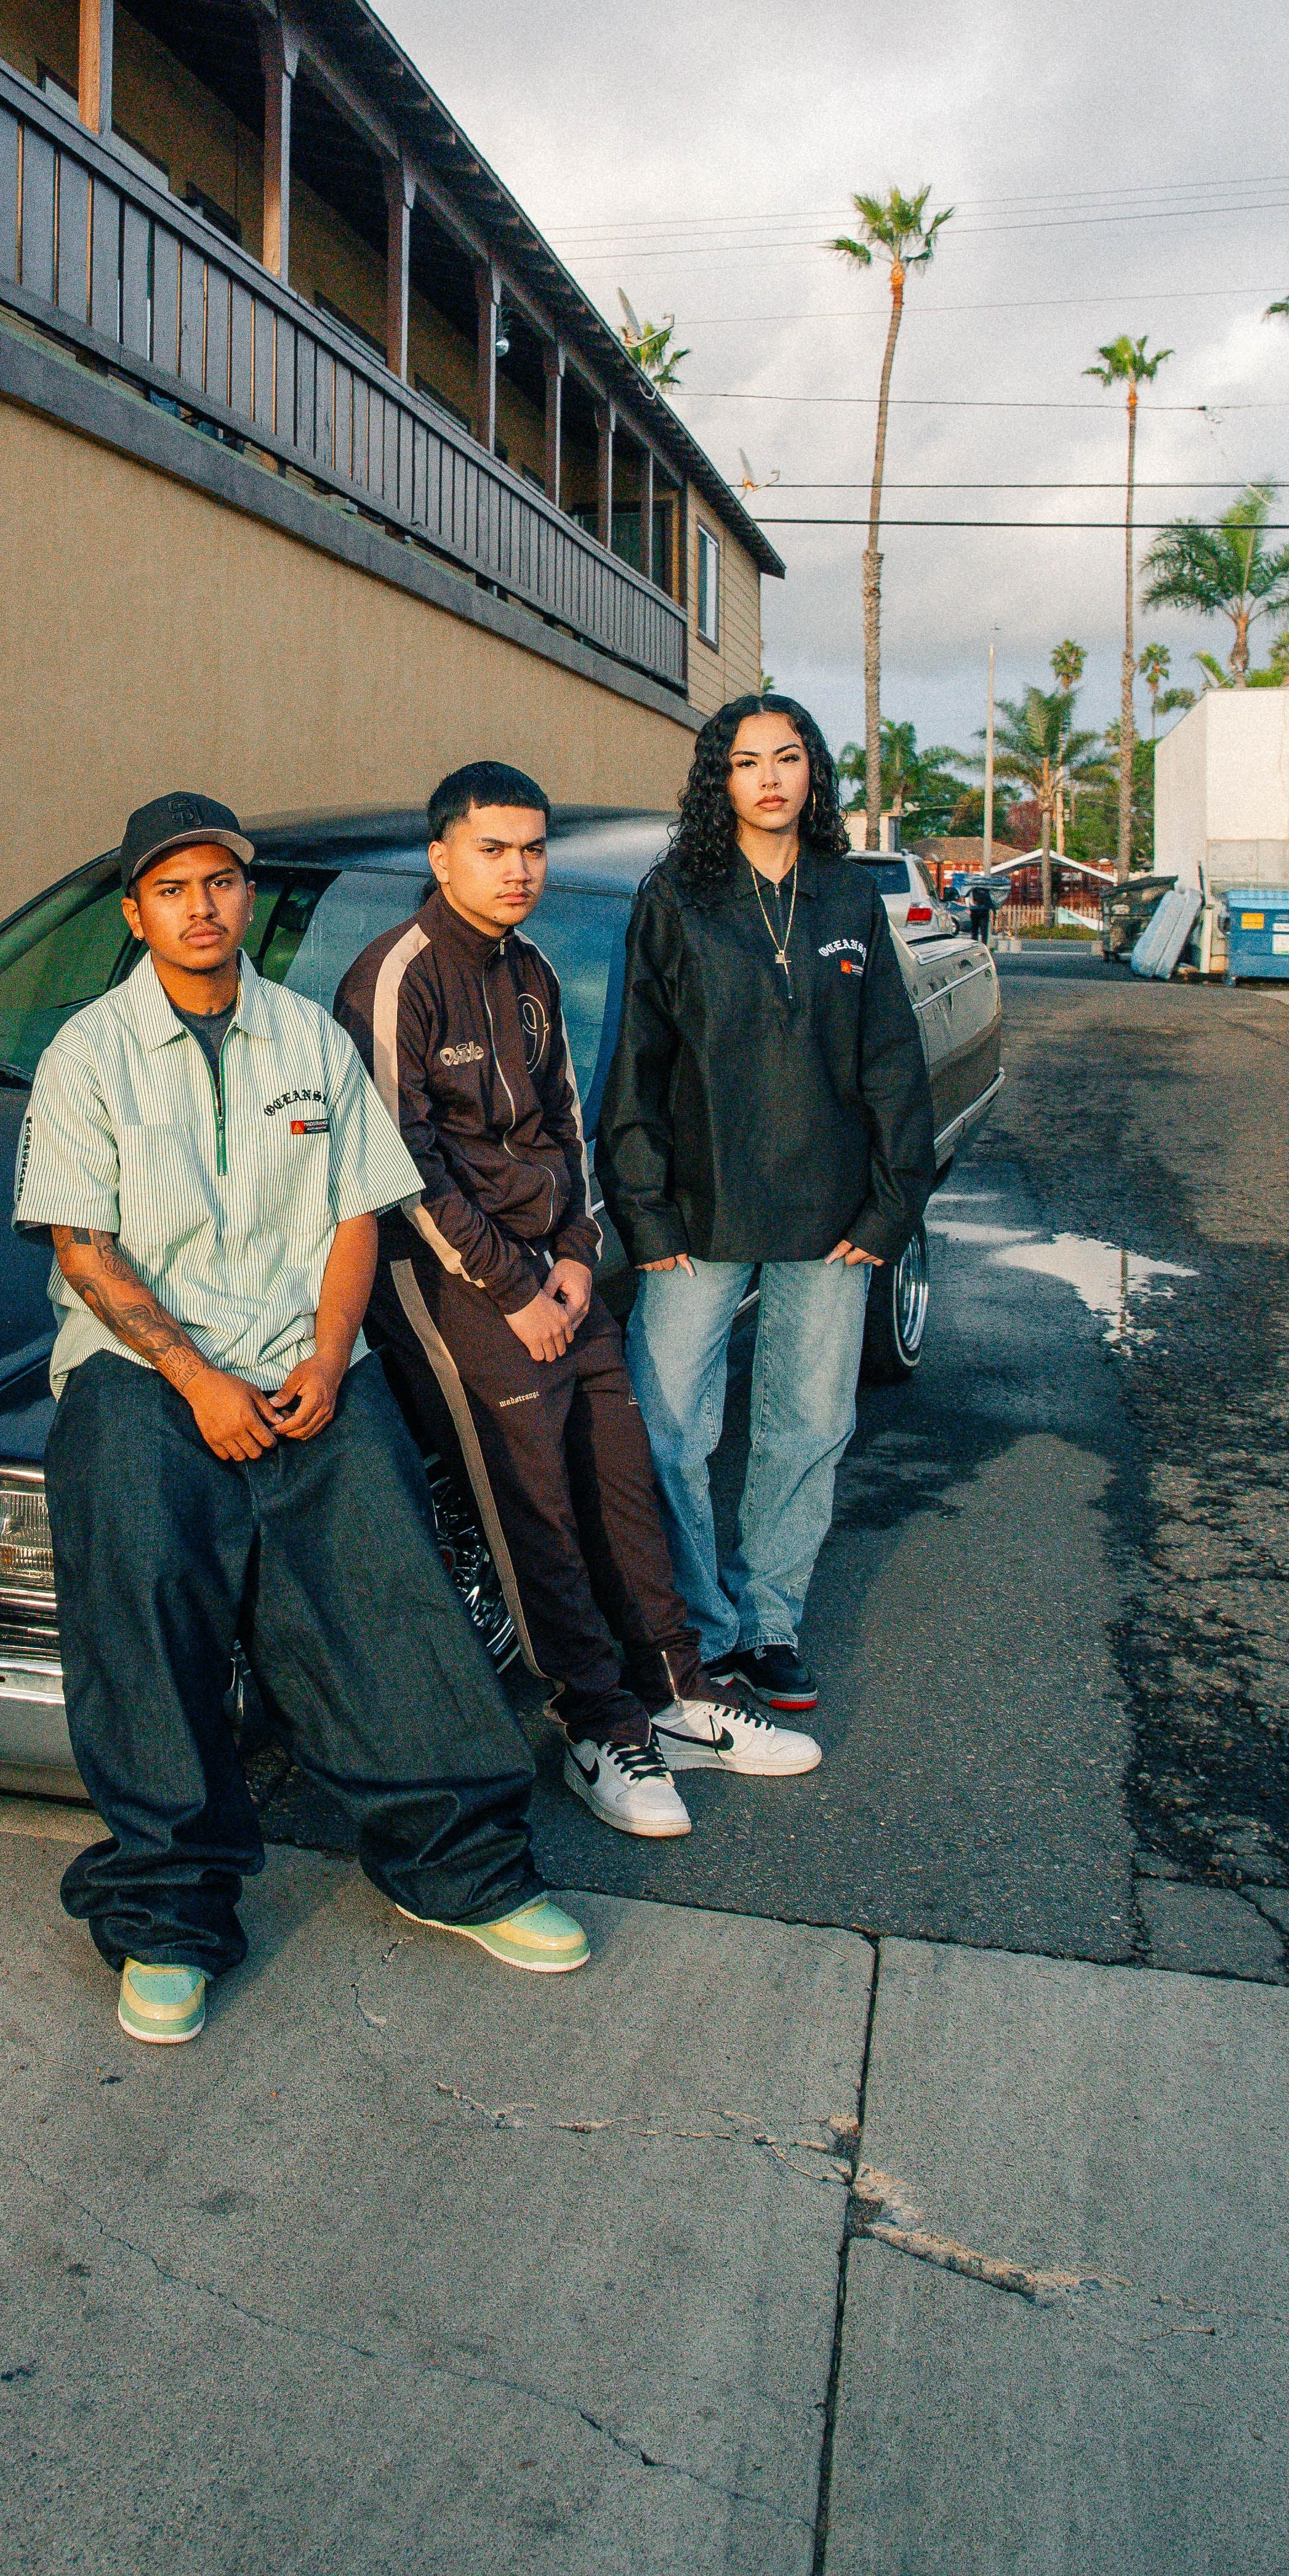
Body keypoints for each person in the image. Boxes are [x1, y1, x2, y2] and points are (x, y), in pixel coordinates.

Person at [13, 789, 588, 2049]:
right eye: (173, 888)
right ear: (136, 912)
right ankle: (168, 1911)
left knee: (383, 1580)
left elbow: (352, 1217)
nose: (203, 906)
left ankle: (467, 1867)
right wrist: (197, 1380)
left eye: (220, 882)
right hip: (139, 1367)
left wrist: (331, 1364)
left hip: (301, 1355)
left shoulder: (305, 1043)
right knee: (143, 1571)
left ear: (245, 898)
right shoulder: (87, 1054)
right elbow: (86, 1245)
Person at [337, 761, 820, 1839]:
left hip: (554, 1273)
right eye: (493, 849)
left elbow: (565, 1129)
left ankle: (679, 1695)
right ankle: (598, 1727)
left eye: (533, 849)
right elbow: (396, 1160)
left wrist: (571, 1256)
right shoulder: (395, 977)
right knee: (535, 1509)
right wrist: (514, 1288)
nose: (518, 871)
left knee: (621, 1475)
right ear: (441, 855)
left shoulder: (537, 971)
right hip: (450, 1286)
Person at [597, 695, 936, 1713]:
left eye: (789, 759)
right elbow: (638, 1069)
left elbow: (893, 1065)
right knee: (667, 1430)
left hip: (831, 1223)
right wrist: (644, 1215)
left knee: (807, 1425)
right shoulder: (678, 896)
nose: (772, 778)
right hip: (696, 1221)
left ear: (814, 776)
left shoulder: (847, 897)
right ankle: (700, 1627)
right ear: (721, 782)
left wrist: (887, 1216)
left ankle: (771, 1621)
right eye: (748, 763)